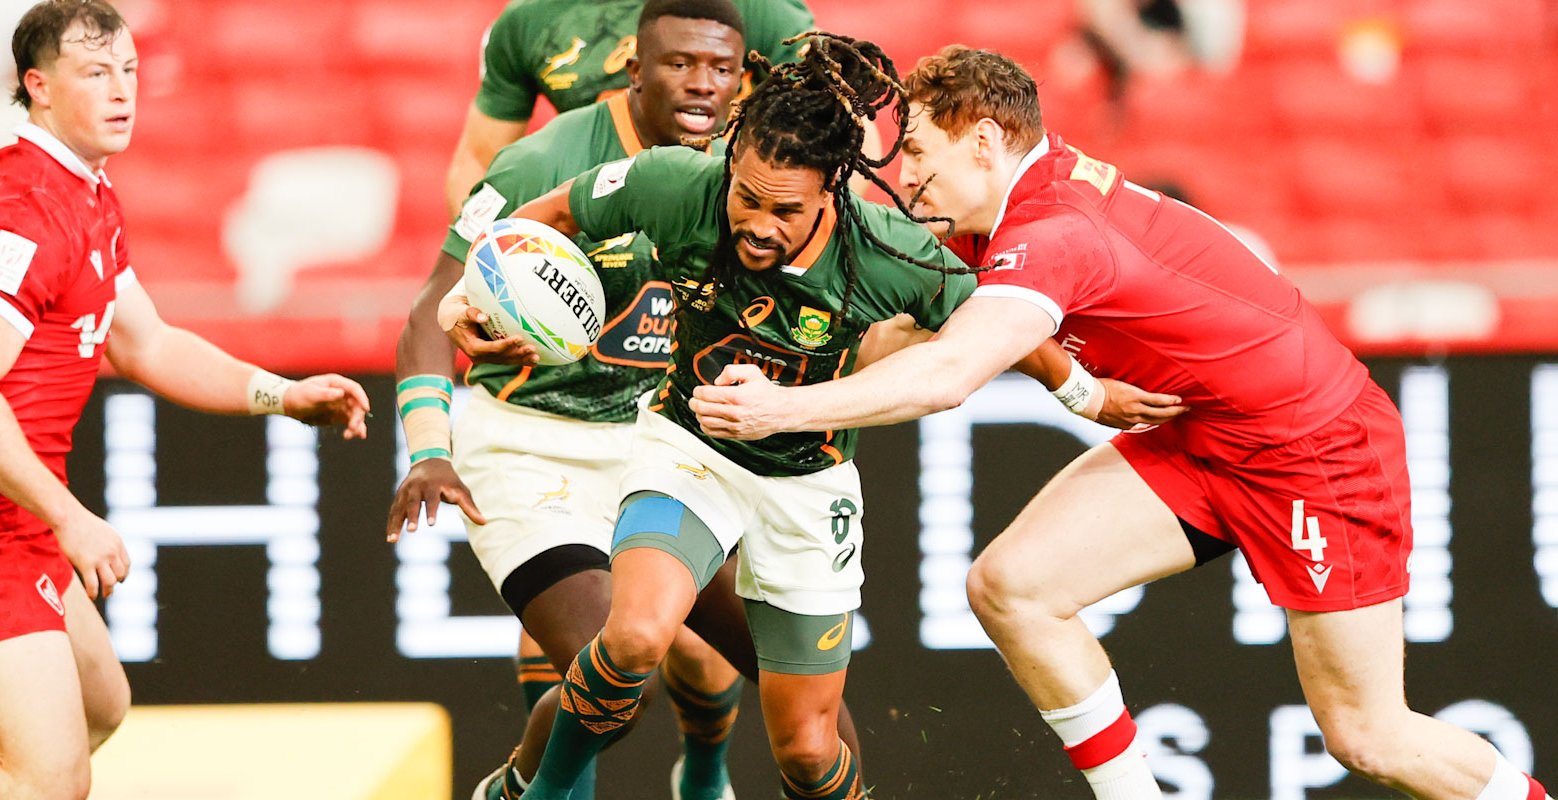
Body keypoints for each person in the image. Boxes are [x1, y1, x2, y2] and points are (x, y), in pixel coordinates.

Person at [687, 45, 1553, 800]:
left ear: (983, 141)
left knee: (1369, 736)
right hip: (1210, 434)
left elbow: (950, 372)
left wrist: (778, 409)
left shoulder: (1052, 232)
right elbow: (911, 337)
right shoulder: (1010, 211)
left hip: (1315, 450)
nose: (904, 174)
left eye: (916, 151)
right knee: (1011, 587)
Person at [440, 31, 1181, 800]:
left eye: (785, 210)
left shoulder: (887, 252)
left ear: (832, 191)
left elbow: (1001, 326)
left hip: (807, 486)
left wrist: (1087, 394)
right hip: (689, 451)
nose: (759, 225)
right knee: (632, 639)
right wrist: (474, 291)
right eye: (747, 198)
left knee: (808, 752)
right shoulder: (673, 185)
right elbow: (557, 211)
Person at [390, 4, 841, 799]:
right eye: (678, 65)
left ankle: (704, 776)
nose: (701, 84)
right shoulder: (543, 163)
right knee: (615, 673)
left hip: (661, 442)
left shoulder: (750, 180)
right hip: (532, 449)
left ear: (745, 76)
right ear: (633, 68)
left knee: (802, 696)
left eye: (720, 69)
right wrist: (429, 448)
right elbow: (432, 308)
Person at [0, 3, 370, 799]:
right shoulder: (26, 213)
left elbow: (146, 343)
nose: (123, 92)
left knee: (99, 709)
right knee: (48, 783)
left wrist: (283, 395)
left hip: (15, 518)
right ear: (38, 86)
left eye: (130, 71)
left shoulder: (85, 194)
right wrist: (71, 517)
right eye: (95, 73)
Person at [446, 0, 815, 216]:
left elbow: (829, 130)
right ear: (634, 71)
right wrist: (493, 268)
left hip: (719, 223)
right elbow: (479, 160)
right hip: (591, 234)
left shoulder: (758, 8)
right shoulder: (530, 19)